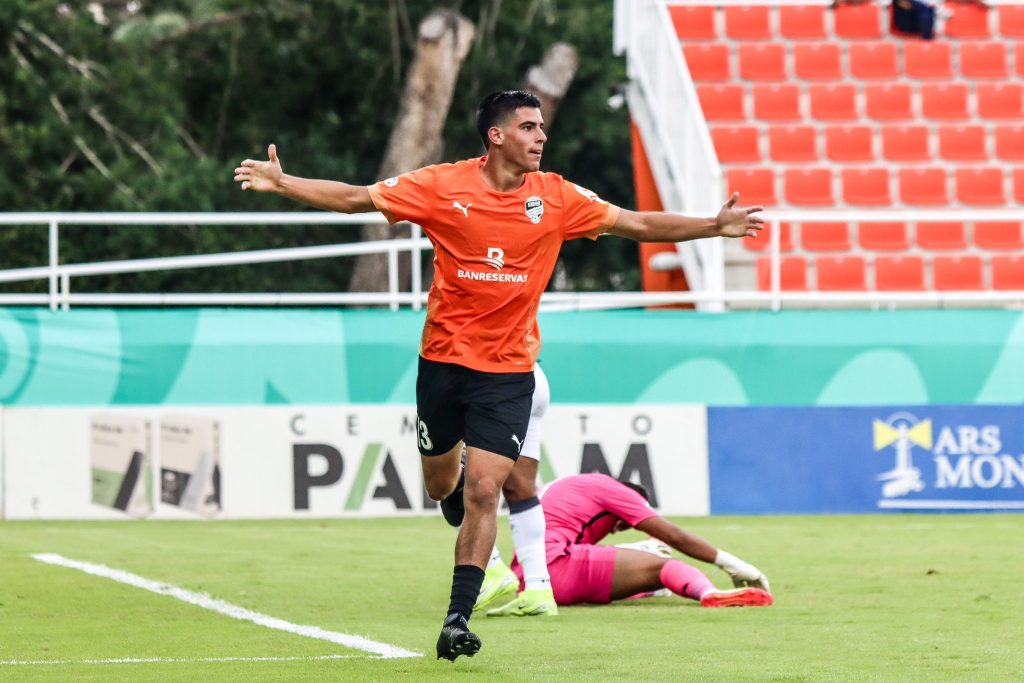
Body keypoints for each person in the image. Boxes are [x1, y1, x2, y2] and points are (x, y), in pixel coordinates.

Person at [233, 89, 764, 662]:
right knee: (443, 485)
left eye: (541, 128)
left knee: (487, 489)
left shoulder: (557, 197)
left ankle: (458, 619)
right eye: (530, 127)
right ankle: (455, 493)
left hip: (509, 372)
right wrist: (285, 183)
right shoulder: (442, 186)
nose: (541, 136)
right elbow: (356, 199)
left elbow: (634, 223)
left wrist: (712, 226)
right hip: (442, 363)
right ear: (496, 135)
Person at [509, 473, 773, 609]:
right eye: (621, 524)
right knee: (662, 567)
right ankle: (709, 593)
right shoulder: (616, 490)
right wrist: (732, 564)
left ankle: (654, 588)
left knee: (634, 569)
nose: (616, 530)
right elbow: (673, 535)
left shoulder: (574, 485)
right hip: (557, 567)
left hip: (528, 578)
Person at [474, 363, 556, 617]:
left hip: (494, 375)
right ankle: (539, 589)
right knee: (521, 488)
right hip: (532, 375)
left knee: (455, 479)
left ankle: (491, 567)